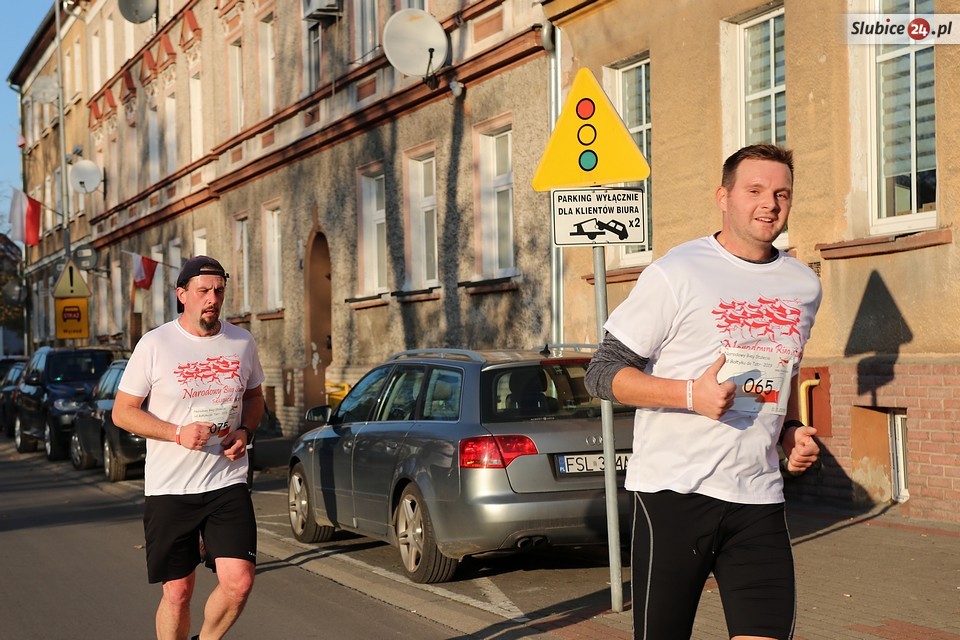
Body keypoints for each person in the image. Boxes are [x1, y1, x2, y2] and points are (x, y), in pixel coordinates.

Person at [585, 144, 822, 640]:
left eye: (781, 193)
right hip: (674, 494)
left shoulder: (803, 285)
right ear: (723, 197)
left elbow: (776, 378)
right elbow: (602, 373)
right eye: (755, 190)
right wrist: (691, 395)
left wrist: (790, 432)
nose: (770, 204)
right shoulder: (677, 272)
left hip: (757, 496)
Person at [114, 255, 265, 640]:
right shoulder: (155, 344)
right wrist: (177, 433)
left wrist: (245, 431)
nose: (213, 299)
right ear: (182, 294)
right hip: (171, 487)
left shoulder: (241, 342)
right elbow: (122, 412)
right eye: (203, 291)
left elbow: (254, 397)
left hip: (226, 481)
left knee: (240, 582)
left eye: (219, 291)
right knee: (178, 592)